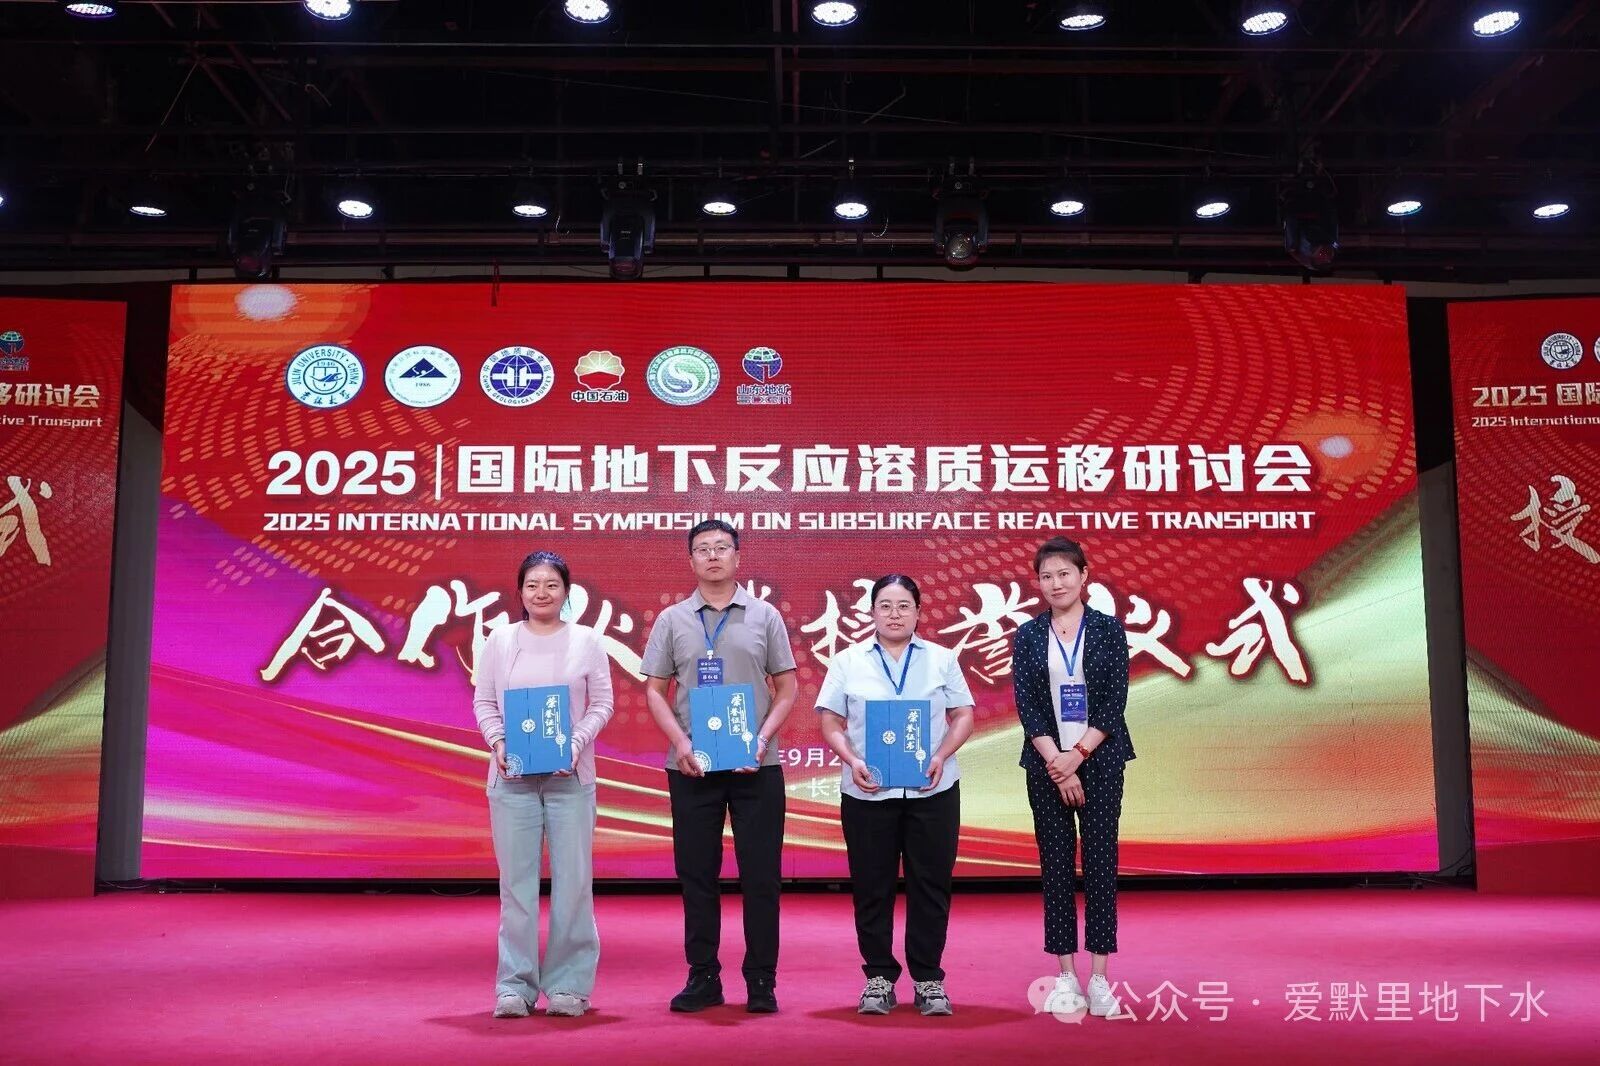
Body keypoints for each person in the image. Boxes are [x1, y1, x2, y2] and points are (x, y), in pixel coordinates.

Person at [641, 519, 798, 1014]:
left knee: (762, 877)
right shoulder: (672, 620)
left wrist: (762, 740)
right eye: (703, 549)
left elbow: (787, 688)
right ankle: (703, 976)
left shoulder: (765, 615)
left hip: (757, 767)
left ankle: (761, 979)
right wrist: (681, 743)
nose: (713, 556)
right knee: (697, 876)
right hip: (692, 767)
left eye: (722, 547)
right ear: (690, 560)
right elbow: (654, 690)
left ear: (738, 557)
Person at [815, 574, 975, 1017]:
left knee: (931, 886)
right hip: (867, 792)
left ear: (918, 612)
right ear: (871, 612)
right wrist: (852, 760)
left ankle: (928, 979)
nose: (894, 614)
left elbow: (963, 714)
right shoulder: (848, 661)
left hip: (932, 789)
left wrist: (941, 755)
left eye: (904, 606)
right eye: (885, 606)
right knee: (872, 887)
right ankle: (879, 978)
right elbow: (830, 721)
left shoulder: (942, 659)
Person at [473, 550, 615, 1019]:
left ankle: (569, 985)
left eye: (552, 585)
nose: (542, 593)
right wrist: (498, 742)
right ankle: (514, 987)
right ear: (520, 591)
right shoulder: (500, 640)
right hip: (511, 780)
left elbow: (602, 704)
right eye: (533, 585)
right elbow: (484, 702)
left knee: (574, 884)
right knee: (516, 887)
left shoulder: (587, 641)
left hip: (570, 780)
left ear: (566, 592)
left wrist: (573, 744)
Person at [1010, 536, 1136, 1019]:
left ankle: (1100, 977)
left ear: (1084, 575)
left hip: (1100, 761)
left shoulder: (1108, 630)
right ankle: (1065, 975)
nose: (1056, 583)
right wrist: (1058, 763)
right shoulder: (1028, 635)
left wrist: (1078, 755)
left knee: (1101, 865)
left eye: (1064, 573)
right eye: (1046, 576)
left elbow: (1114, 702)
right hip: (1046, 766)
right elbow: (1027, 704)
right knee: (1056, 868)